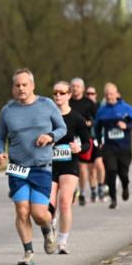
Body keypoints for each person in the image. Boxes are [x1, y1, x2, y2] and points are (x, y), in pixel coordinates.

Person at [0, 68, 66, 265]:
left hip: (41, 167)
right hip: (17, 167)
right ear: (13, 88)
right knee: (22, 209)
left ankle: (47, 228)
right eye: (17, 85)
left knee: (38, 213)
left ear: (32, 86)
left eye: (25, 84)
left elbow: (62, 128)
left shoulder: (47, 105)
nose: (21, 88)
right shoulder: (7, 111)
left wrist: (50, 136)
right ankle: (28, 252)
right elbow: (0, 137)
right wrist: (0, 152)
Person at [48, 81, 91, 254]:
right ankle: (51, 224)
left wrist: (79, 148)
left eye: (62, 92)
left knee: (65, 203)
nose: (58, 95)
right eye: (55, 92)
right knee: (48, 205)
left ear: (69, 95)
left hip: (69, 164)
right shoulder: (47, 117)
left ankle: (63, 241)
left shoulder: (77, 118)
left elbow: (88, 143)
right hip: (49, 165)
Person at [93, 83, 132, 209]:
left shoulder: (126, 108)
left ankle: (125, 186)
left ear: (116, 94)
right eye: (106, 94)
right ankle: (113, 199)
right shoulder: (102, 111)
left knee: (123, 173)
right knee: (111, 171)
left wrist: (127, 126)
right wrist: (99, 141)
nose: (109, 96)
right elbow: (97, 128)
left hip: (124, 146)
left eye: (111, 94)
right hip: (109, 147)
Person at [68, 78, 98, 206]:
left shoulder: (88, 103)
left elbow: (97, 119)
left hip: (85, 138)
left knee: (83, 166)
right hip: (69, 139)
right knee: (71, 166)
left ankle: (82, 192)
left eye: (77, 86)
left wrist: (89, 123)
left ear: (83, 89)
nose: (75, 88)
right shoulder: (67, 101)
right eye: (73, 86)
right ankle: (73, 191)